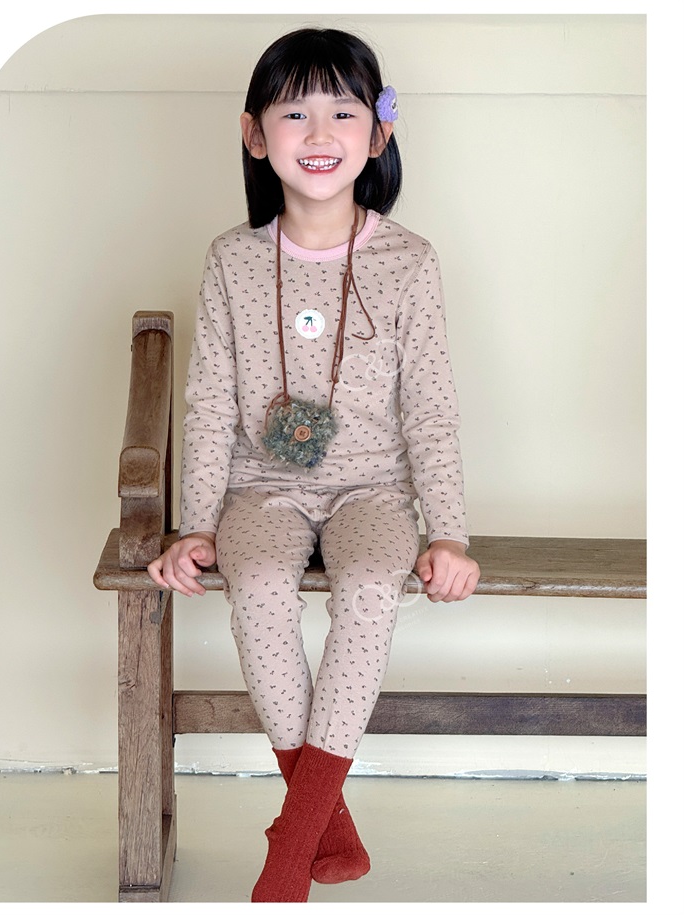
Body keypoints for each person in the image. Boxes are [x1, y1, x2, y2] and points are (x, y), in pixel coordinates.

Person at [147, 26, 480, 903]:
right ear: (255, 134)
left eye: (343, 111)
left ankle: (290, 843)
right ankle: (322, 829)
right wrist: (196, 524)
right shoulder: (233, 259)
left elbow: (431, 408)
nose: (320, 132)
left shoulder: (409, 261)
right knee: (256, 583)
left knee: (371, 583)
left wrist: (448, 533)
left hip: (375, 489)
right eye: (294, 112)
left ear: (379, 132)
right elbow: (210, 403)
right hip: (262, 490)